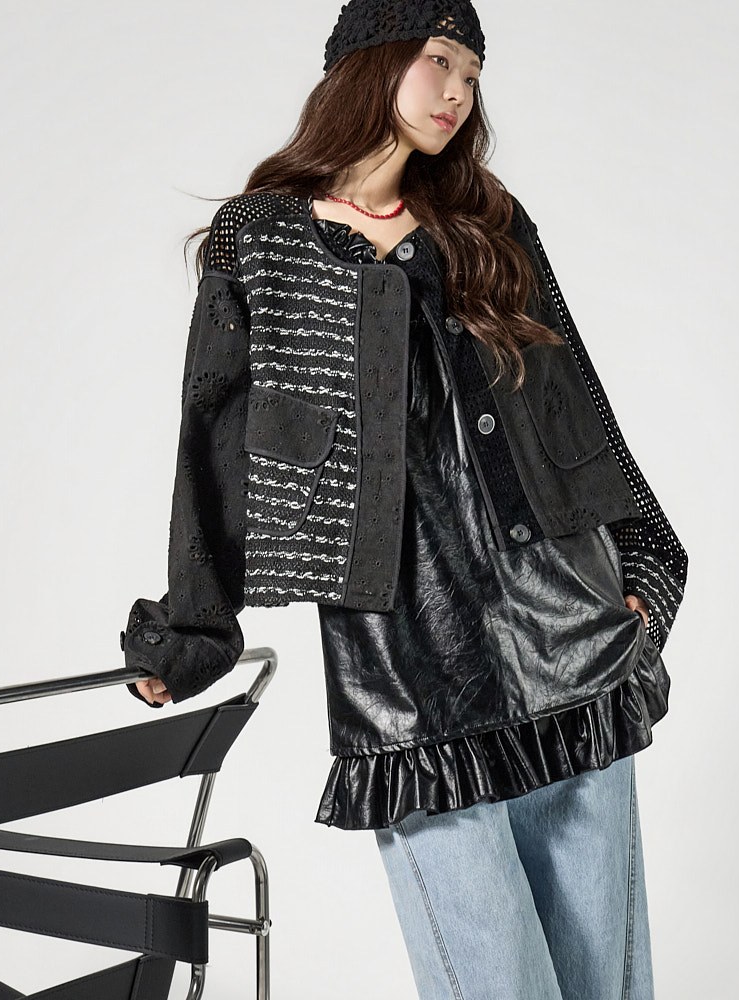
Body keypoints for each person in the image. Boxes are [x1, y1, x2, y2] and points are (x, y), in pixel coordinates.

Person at [123, 2, 688, 997]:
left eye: (472, 72)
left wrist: (644, 566)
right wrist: (191, 633)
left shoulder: (485, 223)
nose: (458, 91)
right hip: (410, 676)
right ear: (369, 61)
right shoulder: (263, 238)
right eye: (440, 60)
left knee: (608, 984)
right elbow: (215, 441)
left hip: (570, 642)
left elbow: (573, 406)